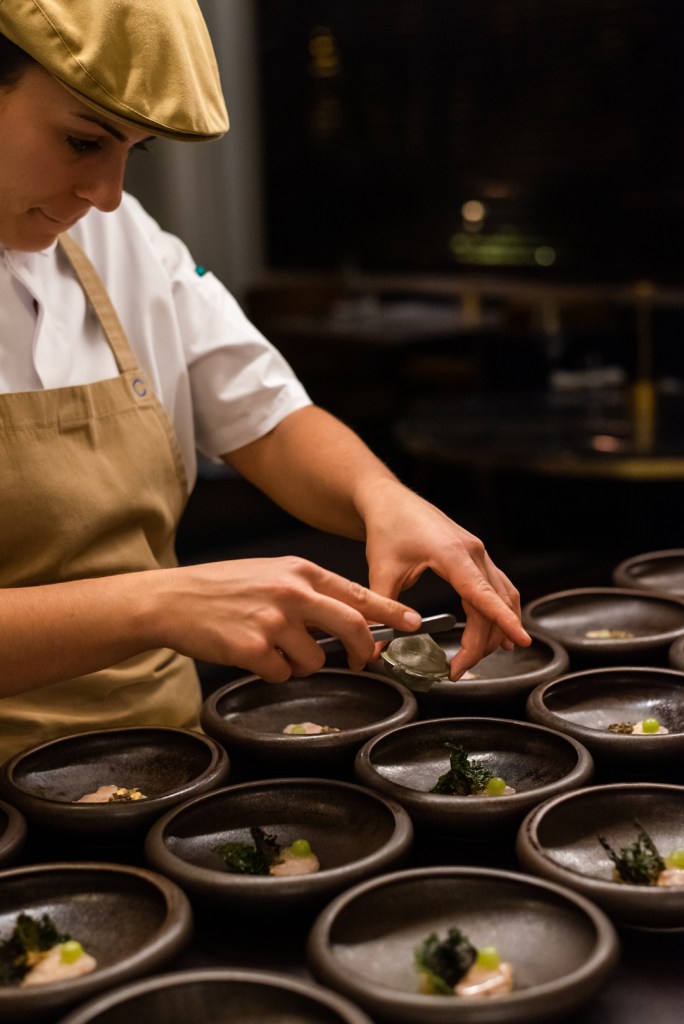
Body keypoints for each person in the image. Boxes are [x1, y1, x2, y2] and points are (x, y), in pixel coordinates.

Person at [0, 0, 530, 763]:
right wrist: (159, 602)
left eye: (134, 151)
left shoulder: (121, 238)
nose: (108, 193)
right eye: (83, 139)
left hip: (155, 768)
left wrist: (384, 499)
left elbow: (268, 418)